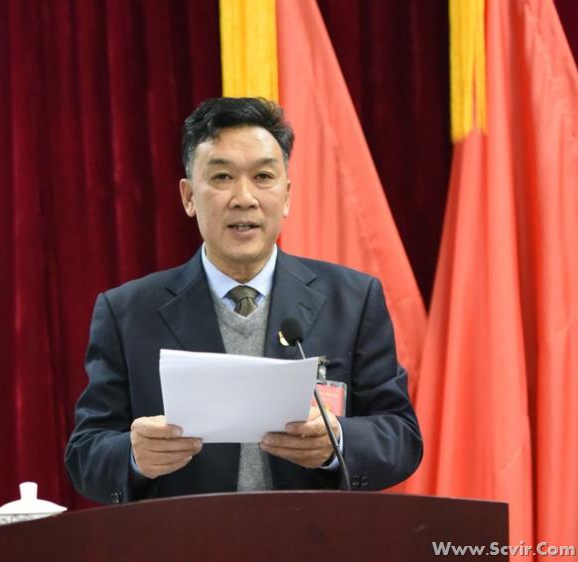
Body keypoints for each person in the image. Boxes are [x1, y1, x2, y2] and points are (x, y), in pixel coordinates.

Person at [65, 97, 422, 504]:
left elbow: (401, 436)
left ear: (287, 196)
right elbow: (85, 454)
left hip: (312, 535)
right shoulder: (127, 313)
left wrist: (336, 441)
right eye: (222, 177)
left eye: (263, 176)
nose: (244, 197)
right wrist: (134, 456)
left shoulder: (353, 300)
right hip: (183, 536)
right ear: (188, 196)